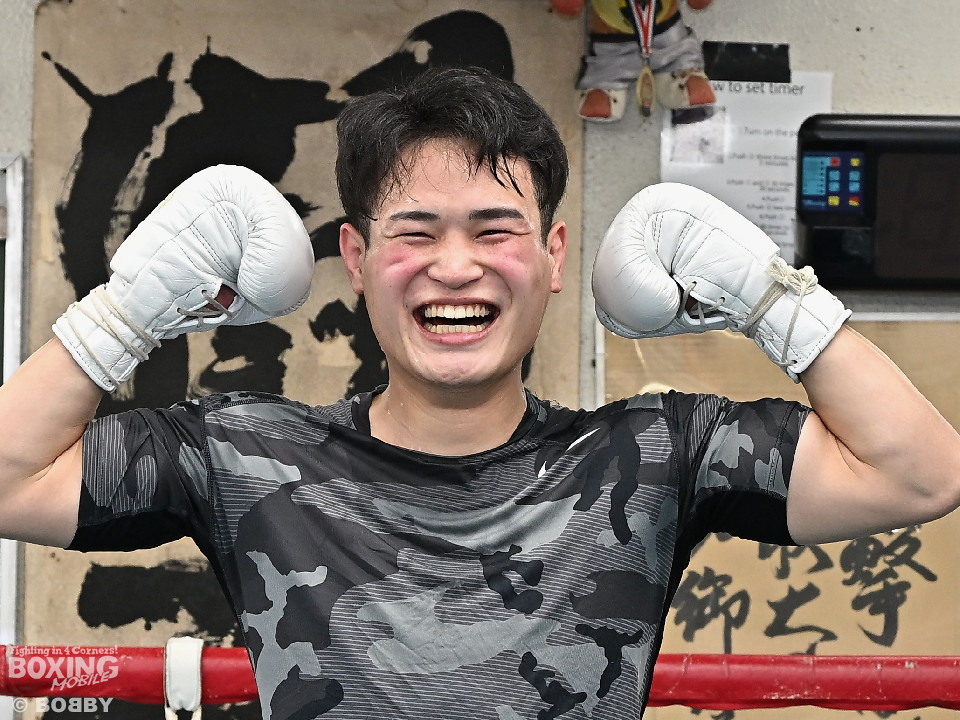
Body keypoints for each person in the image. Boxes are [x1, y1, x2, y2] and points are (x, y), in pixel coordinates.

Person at [1, 65, 959, 719]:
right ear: (356, 259)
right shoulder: (245, 453)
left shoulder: (653, 453)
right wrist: (127, 308)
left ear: (552, 257)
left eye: (495, 230)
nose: (454, 267)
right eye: (415, 232)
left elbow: (920, 473)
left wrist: (772, 297)